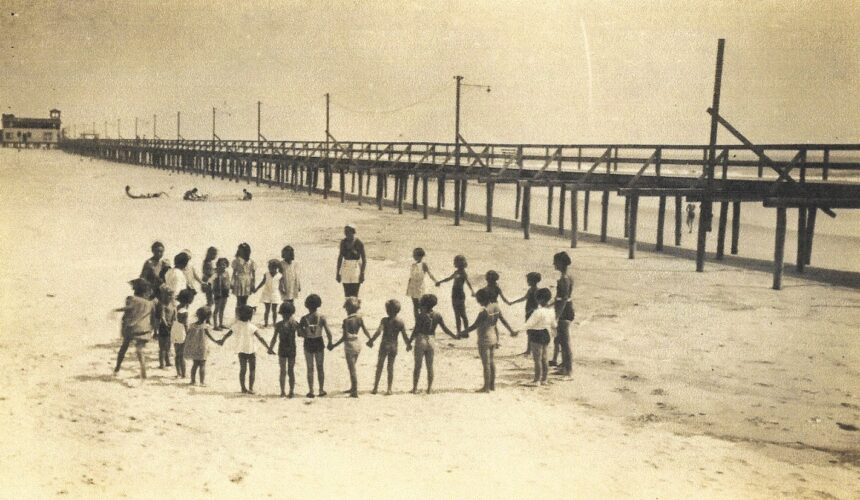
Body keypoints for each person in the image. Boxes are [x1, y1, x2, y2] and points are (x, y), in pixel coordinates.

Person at [462, 289, 516, 392]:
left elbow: (474, 325)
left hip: (484, 338)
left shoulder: (484, 311)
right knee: (491, 362)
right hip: (493, 337)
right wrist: (511, 331)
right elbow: (503, 320)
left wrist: (462, 332)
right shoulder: (496, 307)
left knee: (485, 364)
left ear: (481, 299)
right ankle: (492, 385)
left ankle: (486, 387)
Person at [408, 294, 458, 394]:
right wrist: (454, 336)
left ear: (424, 305)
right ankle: (429, 389)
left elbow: (416, 330)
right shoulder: (437, 315)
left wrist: (409, 342)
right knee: (430, 366)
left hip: (421, 339)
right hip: (431, 340)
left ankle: (414, 388)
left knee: (418, 366)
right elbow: (445, 329)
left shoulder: (420, 315)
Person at [217, 305, 270, 394]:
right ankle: (251, 388)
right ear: (251, 316)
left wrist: (222, 341)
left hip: (241, 350)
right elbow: (260, 338)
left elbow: (227, 335)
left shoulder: (236, 325)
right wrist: (268, 348)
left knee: (243, 370)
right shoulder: (252, 327)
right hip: (251, 350)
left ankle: (243, 388)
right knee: (252, 369)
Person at [113, 279, 157, 379]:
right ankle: (143, 371)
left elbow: (128, 310)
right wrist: (153, 329)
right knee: (139, 350)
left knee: (124, 347)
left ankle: (117, 368)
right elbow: (154, 318)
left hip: (131, 328)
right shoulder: (150, 303)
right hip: (144, 330)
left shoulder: (131, 299)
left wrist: (116, 310)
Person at [329, 297, 372, 398]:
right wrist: (370, 339)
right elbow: (365, 331)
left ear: (347, 308)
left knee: (351, 369)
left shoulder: (346, 321)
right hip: (357, 343)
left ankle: (355, 390)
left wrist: (333, 345)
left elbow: (344, 337)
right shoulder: (359, 318)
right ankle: (353, 387)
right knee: (353, 367)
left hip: (349, 345)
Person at [367, 299, 408, 395]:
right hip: (394, 346)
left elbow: (378, 332)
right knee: (390, 367)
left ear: (387, 310)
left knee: (380, 366)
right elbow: (405, 336)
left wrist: (371, 340)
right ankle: (389, 389)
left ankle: (375, 388)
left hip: (384, 345)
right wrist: (408, 345)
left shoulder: (384, 320)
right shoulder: (400, 322)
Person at [298, 294, 334, 398]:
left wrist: (306, 332)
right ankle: (321, 390)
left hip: (308, 342)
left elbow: (300, 333)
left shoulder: (304, 319)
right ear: (318, 304)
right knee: (320, 367)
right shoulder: (321, 318)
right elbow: (328, 332)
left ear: (306, 305)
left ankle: (311, 391)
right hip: (319, 342)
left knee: (310, 368)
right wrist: (330, 342)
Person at [519, 288, 555, 385]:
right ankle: (544, 379)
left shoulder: (537, 312)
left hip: (536, 335)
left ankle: (536, 380)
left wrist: (517, 331)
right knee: (544, 357)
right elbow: (554, 325)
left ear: (539, 299)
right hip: (546, 334)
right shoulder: (551, 311)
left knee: (537, 359)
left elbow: (529, 324)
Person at [435, 255, 475, 338]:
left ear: (459, 263)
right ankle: (462, 333)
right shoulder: (458, 272)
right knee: (461, 315)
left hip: (458, 295)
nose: (454, 263)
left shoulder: (462, 273)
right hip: (457, 294)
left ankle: (462, 333)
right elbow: (449, 279)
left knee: (460, 315)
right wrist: (440, 282)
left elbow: (467, 283)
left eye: (455, 262)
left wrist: (472, 291)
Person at [268, 302, 299, 398]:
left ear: (281, 313)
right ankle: (291, 391)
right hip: (292, 348)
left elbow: (274, 338)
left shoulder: (278, 324)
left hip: (282, 348)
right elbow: (301, 334)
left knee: (282, 371)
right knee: (291, 370)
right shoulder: (294, 323)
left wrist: (270, 348)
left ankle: (282, 392)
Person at [184, 307, 220, 386]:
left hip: (194, 347)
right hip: (202, 347)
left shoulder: (192, 325)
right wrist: (217, 341)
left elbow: (188, 335)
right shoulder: (206, 326)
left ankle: (193, 381)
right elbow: (210, 336)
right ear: (208, 317)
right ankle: (202, 382)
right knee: (202, 365)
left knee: (195, 364)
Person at [508, 272, 542, 356]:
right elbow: (524, 298)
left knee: (532, 331)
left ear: (532, 281)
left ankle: (530, 350)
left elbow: (537, 302)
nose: (527, 281)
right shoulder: (531, 290)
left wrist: (531, 310)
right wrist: (513, 302)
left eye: (528, 280)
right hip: (529, 313)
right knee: (530, 331)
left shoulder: (536, 290)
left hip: (532, 313)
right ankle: (529, 350)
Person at [553, 251, 575, 377]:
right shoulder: (567, 277)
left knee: (565, 342)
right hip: (564, 309)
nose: (553, 264)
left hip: (564, 311)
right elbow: (560, 297)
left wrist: (556, 316)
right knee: (561, 340)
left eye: (555, 261)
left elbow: (564, 298)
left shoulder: (564, 279)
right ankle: (565, 366)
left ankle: (569, 370)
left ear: (561, 263)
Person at [405, 247, 439, 323]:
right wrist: (408, 288)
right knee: (415, 306)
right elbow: (411, 277)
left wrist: (435, 281)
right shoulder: (413, 265)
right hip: (412, 286)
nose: (413, 256)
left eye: (415, 255)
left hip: (420, 287)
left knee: (422, 306)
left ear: (420, 256)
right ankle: (417, 323)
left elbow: (430, 274)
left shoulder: (424, 264)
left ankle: (425, 321)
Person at [336, 224, 366, 297]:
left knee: (355, 293)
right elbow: (340, 258)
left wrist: (362, 273)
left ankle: (354, 307)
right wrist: (338, 273)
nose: (346, 233)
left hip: (356, 268)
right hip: (345, 268)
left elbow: (364, 260)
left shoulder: (359, 243)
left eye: (347, 232)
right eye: (345, 232)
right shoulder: (343, 242)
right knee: (347, 293)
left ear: (353, 232)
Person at [172, 288, 195, 378]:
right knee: (182, 355)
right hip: (182, 333)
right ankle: (184, 374)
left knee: (177, 353)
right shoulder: (185, 312)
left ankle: (178, 373)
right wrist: (189, 334)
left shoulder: (177, 308)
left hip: (175, 330)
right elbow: (185, 325)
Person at [254, 259, 282, 328]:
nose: (270, 268)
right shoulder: (266, 274)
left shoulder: (280, 275)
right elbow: (263, 282)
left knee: (274, 310)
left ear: (276, 268)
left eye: (271, 267)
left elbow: (281, 285)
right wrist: (257, 289)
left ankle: (274, 323)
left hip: (275, 293)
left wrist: (283, 291)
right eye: (269, 267)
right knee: (267, 310)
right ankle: (266, 323)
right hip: (266, 293)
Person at [155, 287, 175, 369]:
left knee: (168, 345)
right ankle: (161, 363)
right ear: (164, 295)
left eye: (171, 295)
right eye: (168, 295)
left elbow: (174, 314)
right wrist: (167, 325)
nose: (170, 297)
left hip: (171, 325)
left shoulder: (172, 303)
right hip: (163, 326)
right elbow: (162, 316)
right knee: (162, 346)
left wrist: (174, 323)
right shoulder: (161, 304)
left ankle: (167, 361)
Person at [231, 243, 256, 312]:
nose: (242, 252)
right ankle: (237, 317)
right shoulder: (236, 261)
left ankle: (243, 317)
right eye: (240, 250)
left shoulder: (251, 261)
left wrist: (253, 284)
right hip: (238, 280)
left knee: (245, 300)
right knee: (238, 300)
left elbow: (253, 275)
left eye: (244, 250)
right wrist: (232, 282)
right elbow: (234, 273)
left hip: (248, 281)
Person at [208, 258, 231, 330]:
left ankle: (221, 324)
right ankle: (215, 326)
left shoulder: (226, 273)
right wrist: (212, 291)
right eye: (221, 265)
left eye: (224, 264)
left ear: (226, 265)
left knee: (222, 309)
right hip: (218, 293)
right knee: (217, 309)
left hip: (225, 292)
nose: (223, 266)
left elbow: (228, 282)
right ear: (218, 265)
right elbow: (209, 281)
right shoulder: (216, 273)